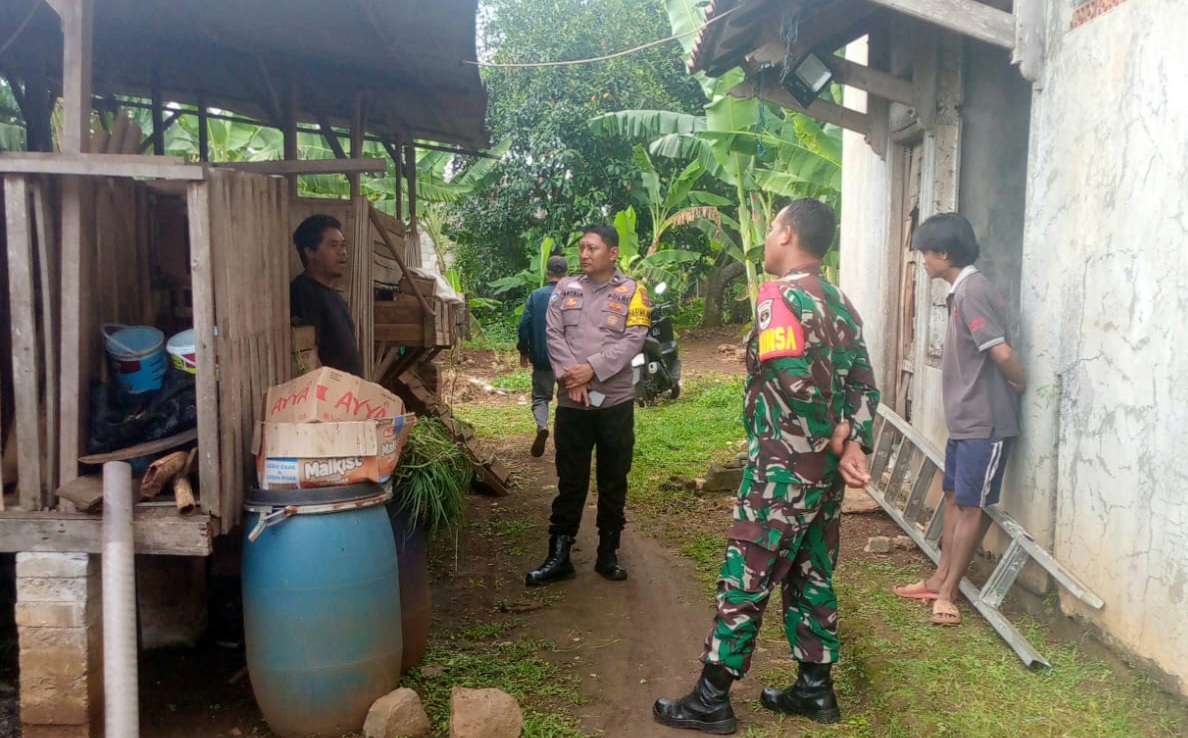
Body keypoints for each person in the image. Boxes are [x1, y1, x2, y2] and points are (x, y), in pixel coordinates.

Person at [653, 200, 880, 734]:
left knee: (747, 572)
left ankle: (711, 697)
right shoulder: (840, 301)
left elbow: (790, 375)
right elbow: (864, 382)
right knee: (811, 571)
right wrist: (852, 440)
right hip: (824, 474)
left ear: (788, 235)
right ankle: (815, 689)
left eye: (774, 226)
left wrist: (828, 434)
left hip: (783, 467)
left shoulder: (779, 296)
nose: (769, 234)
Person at [892, 213, 1026, 626]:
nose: (923, 261)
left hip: (986, 422)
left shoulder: (971, 292)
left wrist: (1019, 382)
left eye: (926, 253)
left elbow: (1000, 352)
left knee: (970, 505)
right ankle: (939, 578)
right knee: (953, 497)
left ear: (945, 254)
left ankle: (949, 592)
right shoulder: (961, 292)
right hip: (966, 420)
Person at [524, 224, 649, 587]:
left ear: (613, 253)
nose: (584, 254)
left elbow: (633, 340)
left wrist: (591, 369)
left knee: (613, 479)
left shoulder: (634, 292)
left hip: (615, 403)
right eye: (581, 247)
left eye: (592, 248)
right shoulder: (564, 289)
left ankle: (608, 553)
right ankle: (559, 556)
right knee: (570, 479)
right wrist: (572, 377)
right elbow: (553, 335)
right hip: (572, 403)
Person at [289, 214, 364, 377]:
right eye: (333, 245)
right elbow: (309, 355)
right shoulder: (303, 294)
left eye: (343, 245)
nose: (342, 252)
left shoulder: (335, 297)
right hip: (329, 391)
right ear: (310, 252)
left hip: (348, 390)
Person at [518, 255, 570, 457]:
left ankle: (542, 426)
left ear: (547, 272)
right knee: (567, 399)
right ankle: (564, 440)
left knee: (540, 397)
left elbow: (524, 325)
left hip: (542, 357)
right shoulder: (573, 297)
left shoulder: (536, 296)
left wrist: (524, 351)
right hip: (568, 359)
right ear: (566, 274)